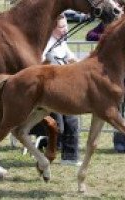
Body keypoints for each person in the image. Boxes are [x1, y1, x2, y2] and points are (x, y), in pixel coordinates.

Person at [86, 19, 125, 154]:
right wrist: (106, 37)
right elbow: (89, 35)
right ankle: (119, 142)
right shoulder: (107, 24)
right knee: (115, 111)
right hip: (110, 75)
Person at [42, 14, 81, 166]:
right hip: (50, 90)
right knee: (58, 125)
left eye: (66, 25)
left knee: (71, 120)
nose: (65, 29)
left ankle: (70, 157)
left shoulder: (62, 42)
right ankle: (46, 148)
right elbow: (39, 63)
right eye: (61, 26)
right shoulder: (46, 44)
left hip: (65, 88)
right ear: (52, 28)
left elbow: (72, 59)